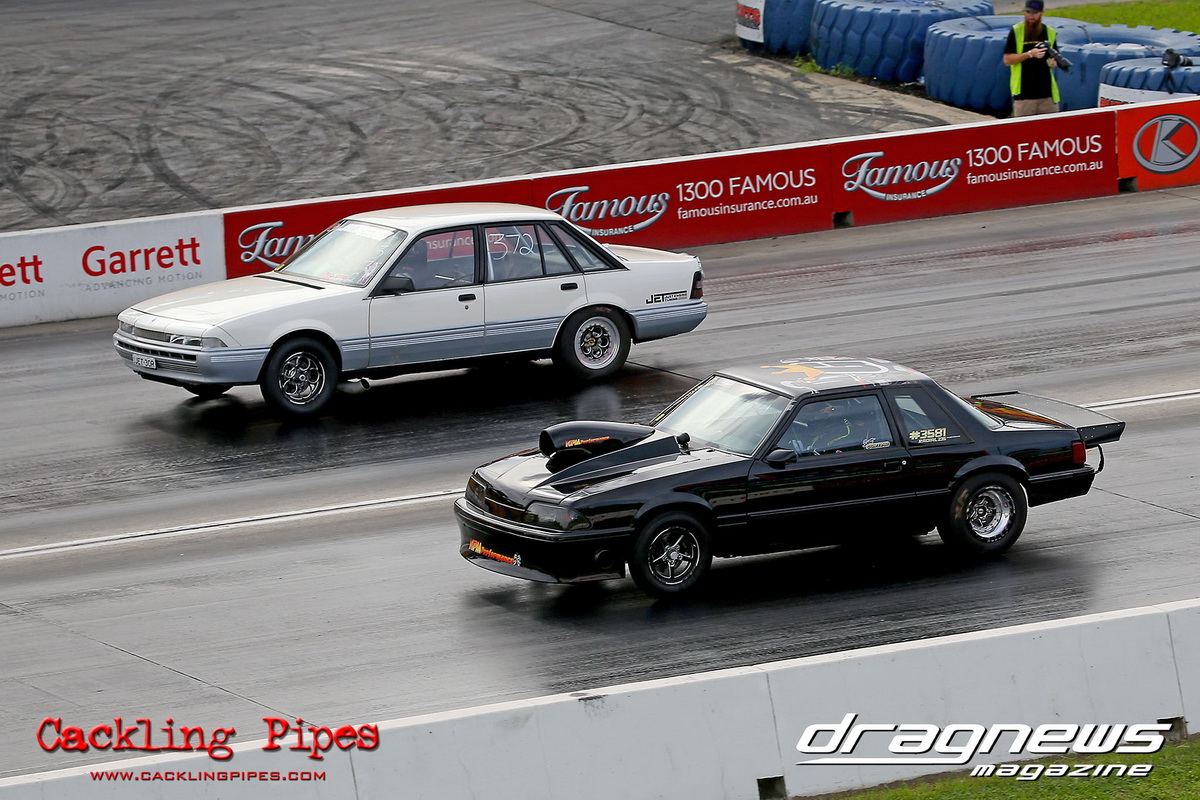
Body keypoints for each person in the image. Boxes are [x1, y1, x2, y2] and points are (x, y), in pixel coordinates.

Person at [1003, 0, 1060, 117]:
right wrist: (1029, 54)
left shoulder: (1050, 32)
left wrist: (1053, 63)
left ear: (1042, 13)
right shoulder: (1017, 31)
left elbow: (1055, 57)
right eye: (1028, 12)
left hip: (1047, 96)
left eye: (1035, 13)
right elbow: (1007, 60)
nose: (1031, 16)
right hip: (1024, 96)